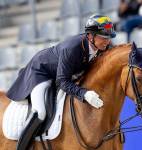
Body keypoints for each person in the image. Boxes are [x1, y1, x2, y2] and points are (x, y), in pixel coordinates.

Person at [6, 14, 116, 150]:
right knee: (40, 112)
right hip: (42, 72)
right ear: (90, 36)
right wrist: (84, 94)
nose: (107, 41)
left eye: (108, 37)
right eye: (103, 37)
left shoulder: (103, 46)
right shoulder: (72, 48)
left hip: (64, 73)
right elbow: (62, 82)